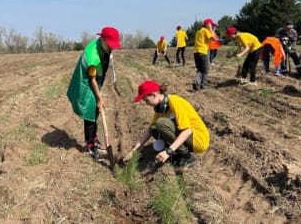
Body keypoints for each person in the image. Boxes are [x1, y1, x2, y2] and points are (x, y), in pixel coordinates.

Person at [123, 80, 209, 169]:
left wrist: (168, 151)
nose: (146, 104)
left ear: (153, 95)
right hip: (188, 138)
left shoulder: (174, 101)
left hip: (198, 140)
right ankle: (177, 154)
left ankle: (187, 157)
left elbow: (187, 130)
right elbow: (149, 130)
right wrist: (134, 151)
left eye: (147, 100)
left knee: (161, 123)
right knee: (154, 128)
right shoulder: (160, 108)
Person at [67, 26, 121, 160]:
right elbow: (92, 80)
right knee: (90, 111)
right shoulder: (93, 57)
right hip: (86, 82)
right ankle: (90, 145)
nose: (111, 48)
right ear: (102, 39)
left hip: (93, 79)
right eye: (110, 45)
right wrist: (99, 98)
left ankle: (95, 138)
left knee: (96, 111)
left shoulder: (102, 46)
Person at [193, 18, 217, 90]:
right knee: (205, 69)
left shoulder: (198, 31)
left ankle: (196, 82)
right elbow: (213, 39)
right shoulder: (206, 30)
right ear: (207, 25)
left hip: (196, 52)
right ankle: (203, 85)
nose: (213, 27)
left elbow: (209, 40)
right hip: (203, 52)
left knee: (200, 69)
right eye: (211, 25)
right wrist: (211, 29)